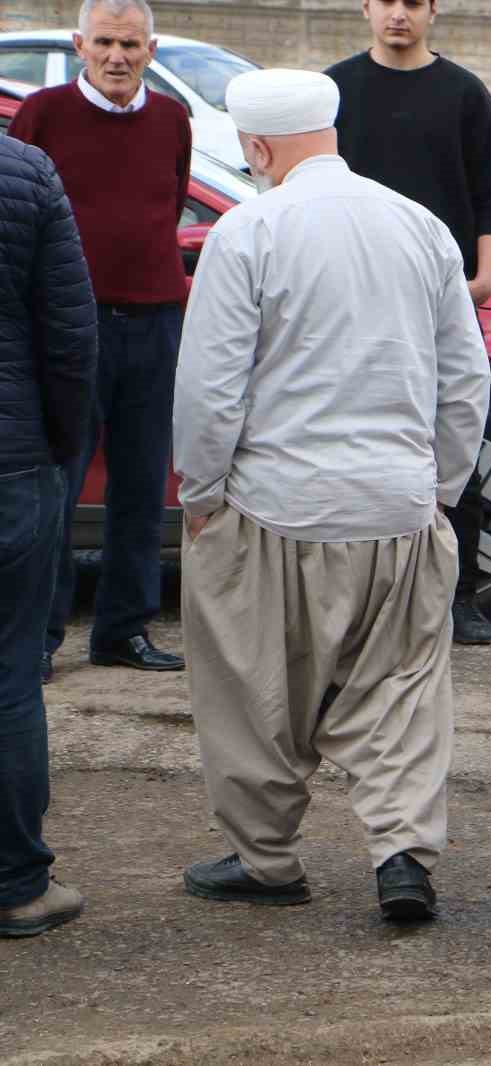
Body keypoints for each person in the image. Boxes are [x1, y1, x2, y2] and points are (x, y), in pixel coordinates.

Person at [174, 68, 491, 922]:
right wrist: (441, 489)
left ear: (255, 146)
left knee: (253, 691)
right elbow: (465, 379)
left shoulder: (248, 231)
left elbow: (211, 387)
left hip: (276, 506)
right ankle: (402, 856)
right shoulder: (420, 227)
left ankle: (266, 858)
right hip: (398, 507)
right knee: (402, 690)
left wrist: (201, 494)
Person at [10, 0, 190, 679]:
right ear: (81, 45)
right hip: (65, 327)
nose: (118, 56)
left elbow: (166, 209)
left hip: (153, 323)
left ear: (152, 48)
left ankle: (123, 630)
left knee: (143, 486)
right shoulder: (44, 115)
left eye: (131, 44)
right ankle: (40, 638)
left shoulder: (173, 119)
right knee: (55, 486)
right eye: (106, 43)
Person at [326, 0, 491, 646]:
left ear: (433, 10)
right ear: (366, 8)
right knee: (352, 440)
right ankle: (356, 598)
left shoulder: (465, 95)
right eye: (386, 1)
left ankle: (459, 597)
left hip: (443, 302)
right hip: (351, 305)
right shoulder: (336, 91)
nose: (398, 14)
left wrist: (484, 279)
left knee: (456, 439)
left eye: (412, 2)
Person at [0, 136, 98, 939]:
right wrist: (61, 448)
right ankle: (17, 886)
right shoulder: (29, 173)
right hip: (12, 467)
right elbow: (70, 336)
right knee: (7, 674)